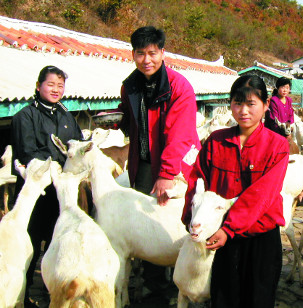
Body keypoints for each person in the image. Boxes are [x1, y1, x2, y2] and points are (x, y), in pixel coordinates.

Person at [182, 75, 290, 308]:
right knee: (224, 298)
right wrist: (191, 219)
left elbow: (262, 195)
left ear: (266, 105)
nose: (243, 111)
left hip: (260, 238)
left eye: (251, 104)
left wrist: (229, 228)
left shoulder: (277, 145)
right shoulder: (215, 142)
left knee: (258, 299)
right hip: (222, 239)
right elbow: (197, 181)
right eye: (237, 103)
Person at [115, 26, 201, 293]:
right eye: (140, 54)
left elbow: (180, 134)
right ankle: (153, 280)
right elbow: (131, 120)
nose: (146, 60)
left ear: (163, 52)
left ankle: (182, 278)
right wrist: (117, 120)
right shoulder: (129, 85)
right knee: (146, 219)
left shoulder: (179, 87)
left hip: (175, 163)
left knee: (176, 219)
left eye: (152, 53)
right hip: (143, 162)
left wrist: (166, 173)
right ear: (133, 55)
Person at [11, 65, 83, 307]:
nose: (56, 89)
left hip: (60, 196)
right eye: (51, 84)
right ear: (39, 85)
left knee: (58, 245)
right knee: (28, 247)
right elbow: (27, 153)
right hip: (34, 195)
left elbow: (77, 147)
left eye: (60, 85)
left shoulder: (66, 117)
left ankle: (54, 294)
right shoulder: (25, 116)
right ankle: (21, 295)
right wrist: (55, 169)